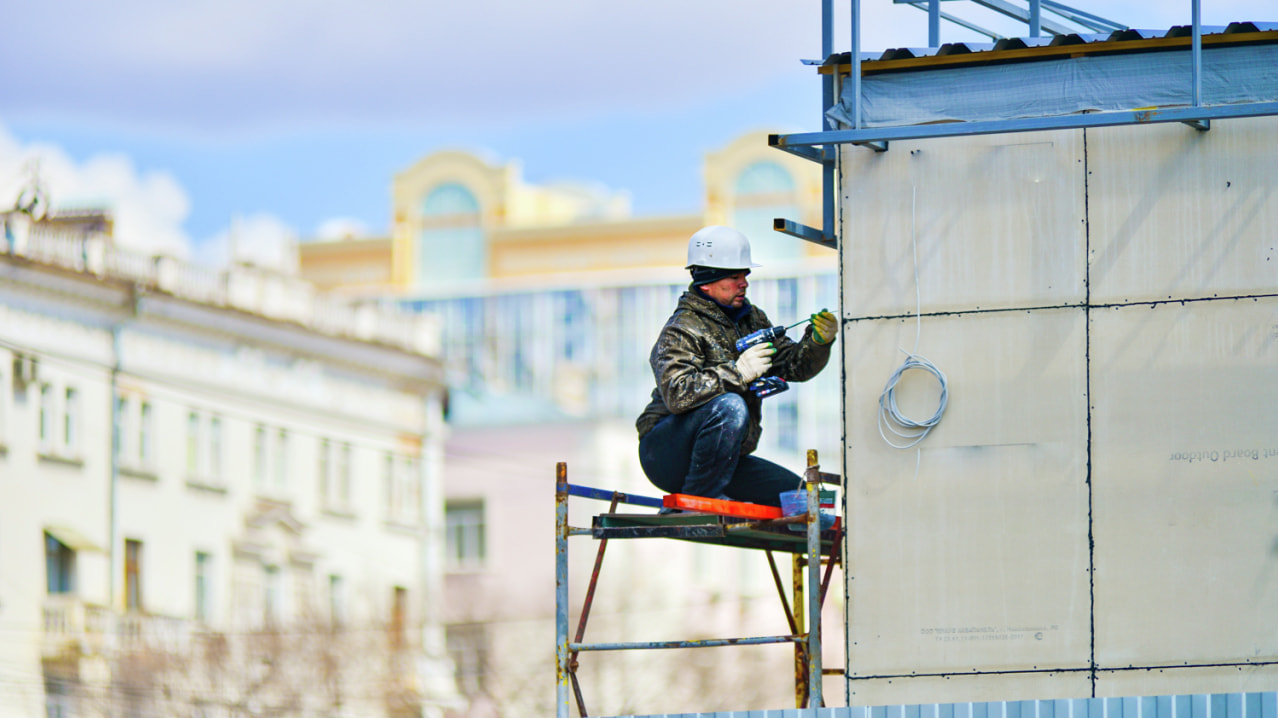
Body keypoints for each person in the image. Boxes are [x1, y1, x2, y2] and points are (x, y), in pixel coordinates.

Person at [635, 225, 839, 507]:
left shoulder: (752, 320)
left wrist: (818, 342)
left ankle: (809, 536)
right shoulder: (681, 330)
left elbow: (794, 367)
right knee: (730, 405)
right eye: (734, 277)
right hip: (666, 455)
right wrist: (738, 373)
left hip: (721, 460)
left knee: (810, 501)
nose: (744, 283)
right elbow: (677, 393)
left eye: (745, 275)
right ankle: (699, 500)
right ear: (707, 281)